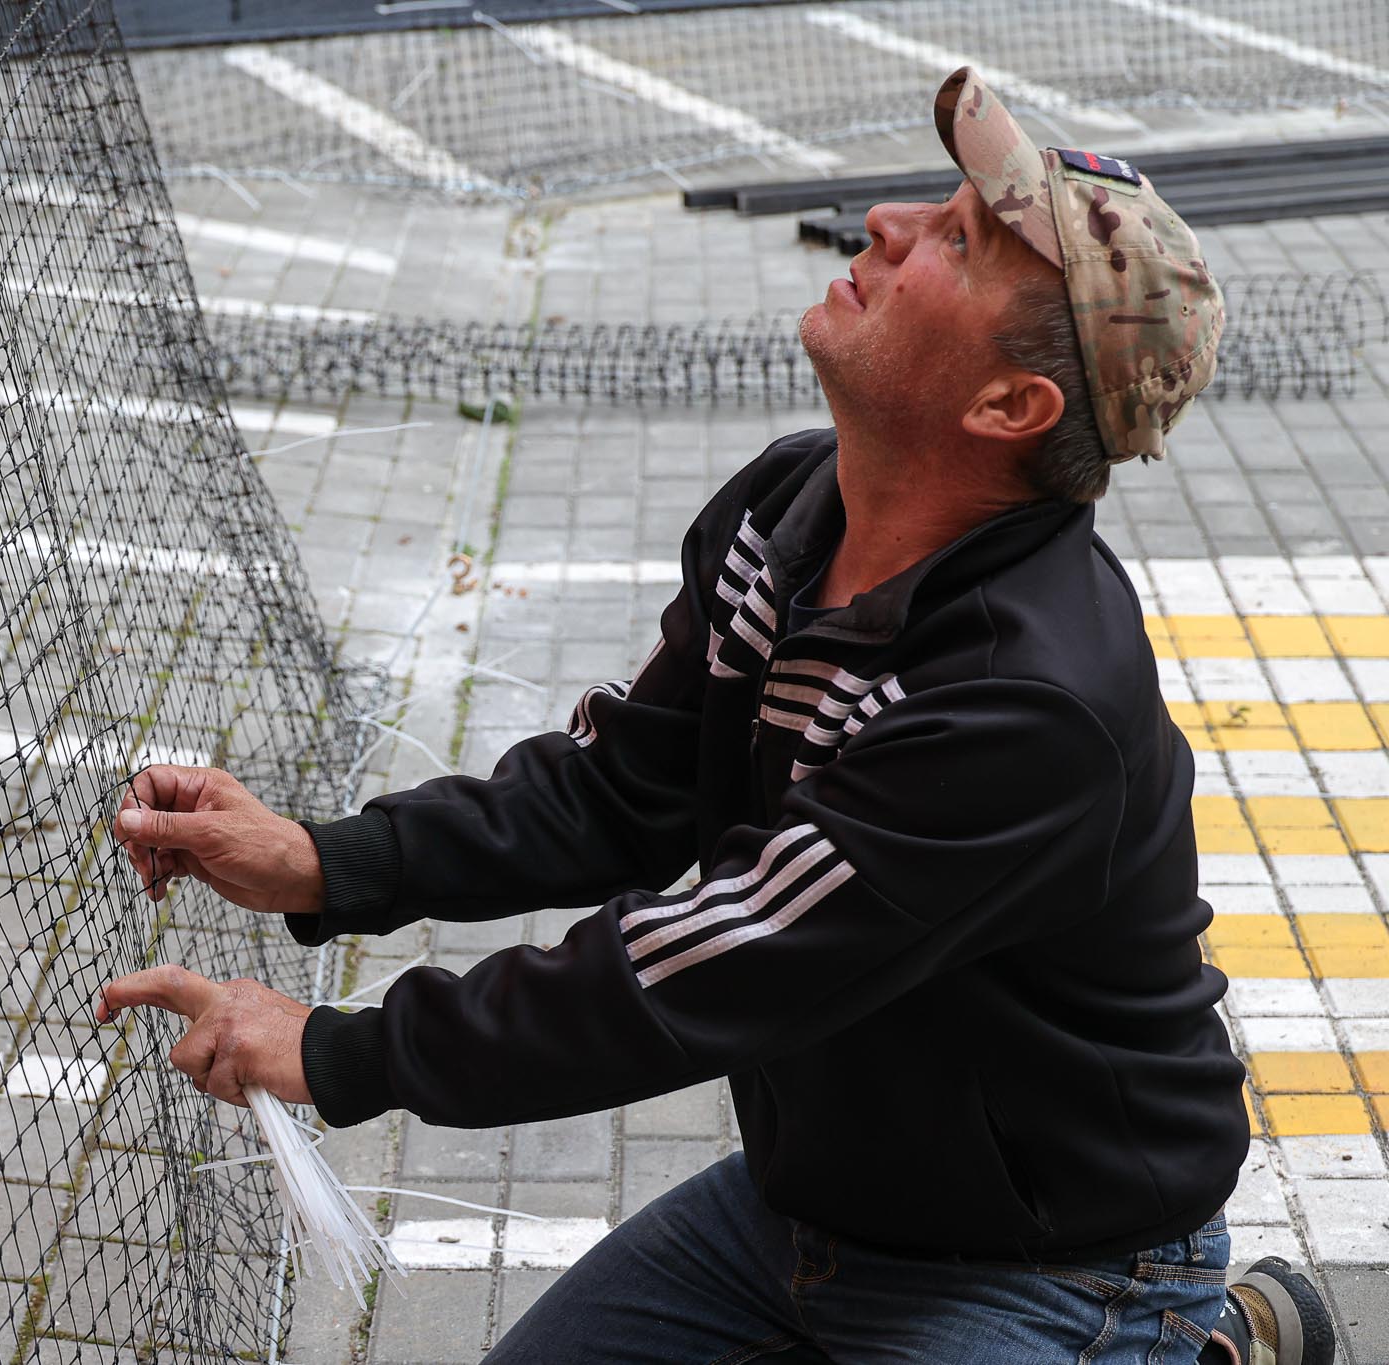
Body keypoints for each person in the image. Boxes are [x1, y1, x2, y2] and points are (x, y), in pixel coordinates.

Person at [98, 67, 1337, 1365]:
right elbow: (621, 792)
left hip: (1055, 1267)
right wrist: (319, 859)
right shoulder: (790, 509)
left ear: (1008, 406)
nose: (887, 223)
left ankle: (1195, 1342)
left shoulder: (1027, 703)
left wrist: (339, 1051)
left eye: (960, 241)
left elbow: (713, 960)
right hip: (808, 1209)